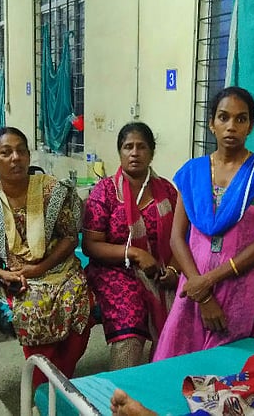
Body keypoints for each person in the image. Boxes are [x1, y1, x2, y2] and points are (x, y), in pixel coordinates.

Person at [153, 86, 254, 361]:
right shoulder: (192, 173)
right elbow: (177, 238)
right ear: (211, 123)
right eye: (223, 117)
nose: (231, 126)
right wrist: (201, 292)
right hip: (193, 286)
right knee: (176, 365)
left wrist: (208, 282)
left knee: (228, 368)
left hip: (239, 288)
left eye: (241, 119)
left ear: (250, 126)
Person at [0, 126, 92, 385]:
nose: (15, 158)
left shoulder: (52, 191)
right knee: (33, 308)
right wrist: (3, 274)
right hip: (14, 276)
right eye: (6, 153)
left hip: (59, 268)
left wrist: (39, 268)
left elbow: (70, 237)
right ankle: (41, 385)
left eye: (21, 151)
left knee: (79, 300)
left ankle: (59, 380)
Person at [82, 122, 179, 370]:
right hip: (113, 269)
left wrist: (173, 270)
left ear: (151, 152)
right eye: (128, 147)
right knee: (131, 321)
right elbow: (91, 246)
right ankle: (121, 386)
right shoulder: (105, 192)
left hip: (159, 269)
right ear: (120, 152)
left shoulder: (167, 191)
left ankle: (161, 375)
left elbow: (182, 239)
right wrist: (135, 253)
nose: (134, 153)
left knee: (181, 314)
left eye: (141, 147)